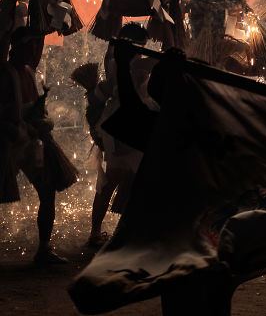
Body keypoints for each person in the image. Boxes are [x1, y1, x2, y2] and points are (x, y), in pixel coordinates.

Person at [0, 27, 78, 263]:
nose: (35, 50)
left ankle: (43, 249)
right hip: (8, 143)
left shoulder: (27, 71)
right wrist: (24, 127)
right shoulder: (5, 74)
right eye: (31, 45)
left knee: (48, 190)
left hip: (30, 141)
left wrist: (41, 123)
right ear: (18, 47)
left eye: (36, 45)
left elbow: (33, 107)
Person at [86, 22, 156, 247]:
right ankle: (97, 232)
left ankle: (123, 231)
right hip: (121, 123)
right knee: (114, 178)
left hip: (134, 121)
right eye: (141, 46)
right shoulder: (125, 63)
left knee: (131, 179)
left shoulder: (131, 62)